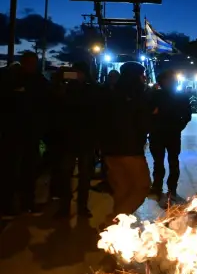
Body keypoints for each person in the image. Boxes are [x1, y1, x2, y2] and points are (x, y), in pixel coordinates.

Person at [98, 62, 152, 224]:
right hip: (130, 149)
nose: (144, 78)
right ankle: (112, 222)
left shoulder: (110, 93)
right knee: (141, 186)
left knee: (121, 189)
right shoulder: (137, 94)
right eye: (142, 75)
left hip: (110, 150)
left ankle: (115, 229)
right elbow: (142, 122)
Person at [0, 52, 51, 216]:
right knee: (10, 169)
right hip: (13, 132)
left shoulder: (38, 80)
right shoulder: (11, 78)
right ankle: (8, 205)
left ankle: (26, 203)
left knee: (28, 169)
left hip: (30, 132)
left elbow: (46, 103)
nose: (31, 65)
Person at [49, 62, 99, 218]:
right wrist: (59, 80)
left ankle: (81, 206)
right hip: (69, 138)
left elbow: (94, 110)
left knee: (84, 175)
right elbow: (56, 105)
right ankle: (65, 206)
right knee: (66, 174)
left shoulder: (91, 89)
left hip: (83, 138)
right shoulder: (65, 89)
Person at [149, 70, 192, 204]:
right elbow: (147, 112)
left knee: (173, 162)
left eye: (172, 80)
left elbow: (187, 114)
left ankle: (172, 189)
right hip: (157, 133)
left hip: (173, 133)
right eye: (168, 80)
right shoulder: (154, 95)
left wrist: (179, 125)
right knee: (158, 163)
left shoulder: (180, 96)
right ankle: (157, 188)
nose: (171, 82)